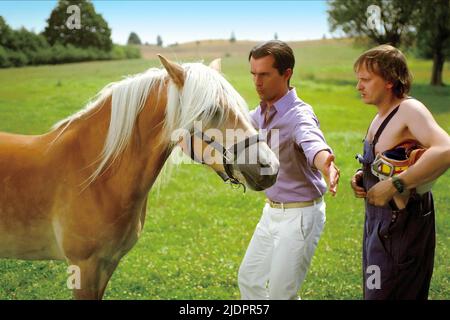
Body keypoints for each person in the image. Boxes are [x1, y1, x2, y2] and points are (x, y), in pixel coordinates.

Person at [238, 40, 340, 300]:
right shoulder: (259, 114)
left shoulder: (298, 115)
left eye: (264, 74)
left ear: (287, 74)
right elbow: (233, 130)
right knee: (249, 280)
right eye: (253, 74)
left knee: (281, 295)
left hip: (301, 217)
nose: (257, 82)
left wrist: (325, 162)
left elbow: (312, 142)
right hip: (271, 212)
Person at [351, 44, 450, 300]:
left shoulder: (409, 110)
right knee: (375, 291)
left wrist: (395, 184)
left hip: (403, 226)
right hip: (376, 223)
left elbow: (446, 149)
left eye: (365, 80)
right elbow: (389, 158)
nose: (358, 86)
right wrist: (365, 176)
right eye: (358, 79)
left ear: (390, 80)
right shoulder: (380, 115)